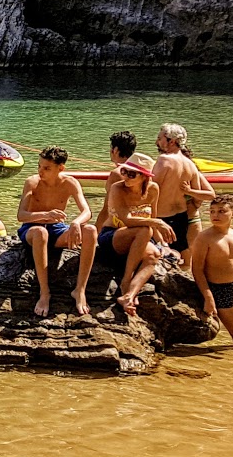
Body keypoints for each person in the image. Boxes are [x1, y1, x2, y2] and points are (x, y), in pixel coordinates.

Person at [16, 146, 97, 317]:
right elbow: (21, 216)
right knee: (40, 233)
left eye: (46, 168)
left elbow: (87, 212)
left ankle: (80, 290)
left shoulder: (70, 183)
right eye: (39, 166)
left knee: (90, 230)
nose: (40, 171)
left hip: (58, 229)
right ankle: (44, 292)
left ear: (61, 168)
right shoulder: (32, 182)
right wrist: (46, 214)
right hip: (32, 229)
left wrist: (76, 222)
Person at [95, 152, 171, 314]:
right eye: (124, 172)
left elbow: (153, 217)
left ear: (144, 177)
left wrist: (164, 245)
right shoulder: (118, 189)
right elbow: (127, 220)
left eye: (131, 174)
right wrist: (155, 223)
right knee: (145, 229)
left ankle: (129, 295)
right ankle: (126, 280)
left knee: (154, 255)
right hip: (113, 236)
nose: (126, 177)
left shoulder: (153, 189)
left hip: (139, 239)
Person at [193, 195, 233, 347]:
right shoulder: (204, 238)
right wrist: (208, 297)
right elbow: (197, 270)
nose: (215, 215)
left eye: (221, 211)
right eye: (212, 211)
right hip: (218, 289)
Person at [154, 123, 214, 270]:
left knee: (158, 259)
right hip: (181, 218)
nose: (157, 141)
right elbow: (198, 200)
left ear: (171, 141)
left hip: (162, 218)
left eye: (160, 138)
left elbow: (150, 189)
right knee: (181, 260)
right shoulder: (190, 165)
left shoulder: (164, 160)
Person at [91, 130, 138, 229]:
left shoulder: (117, 174)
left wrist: (95, 233)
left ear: (115, 150)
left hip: (119, 227)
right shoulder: (141, 174)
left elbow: (107, 209)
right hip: (138, 222)